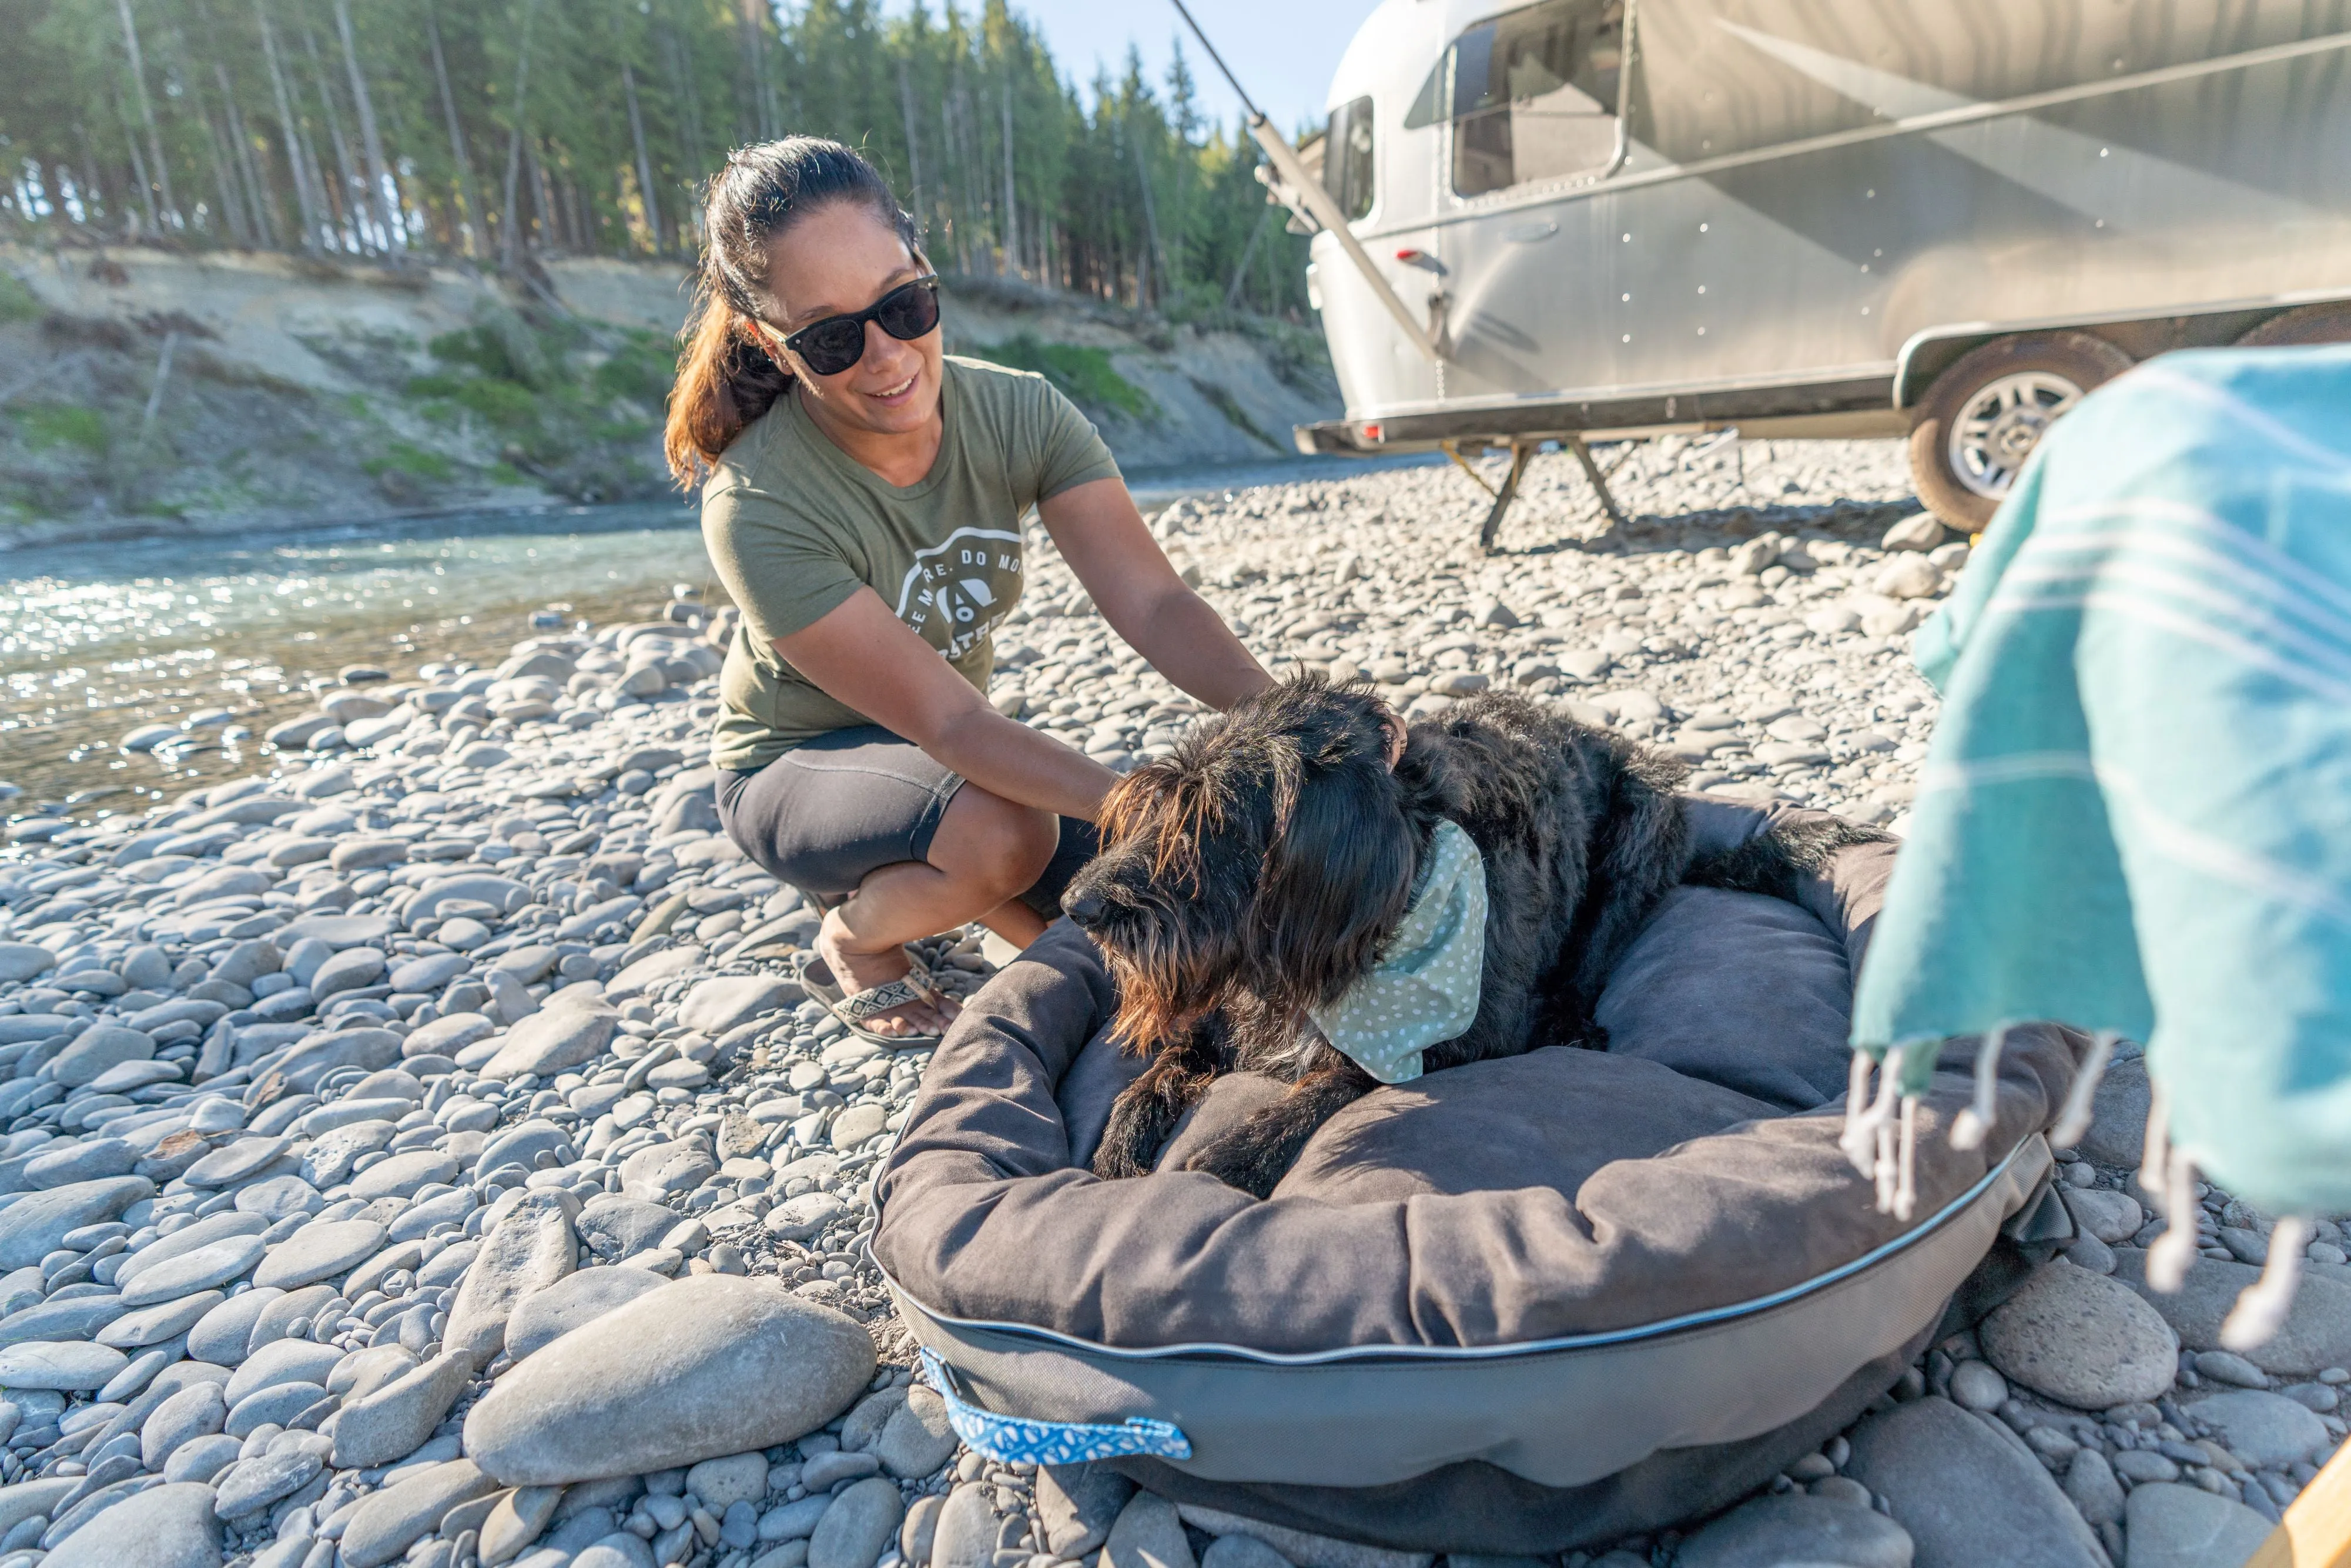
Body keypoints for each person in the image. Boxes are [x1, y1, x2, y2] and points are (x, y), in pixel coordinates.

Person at [665, 137, 1271, 1046]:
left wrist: (1299, 719)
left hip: (948, 762)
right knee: (1005, 835)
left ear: (926, 272)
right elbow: (957, 728)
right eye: (832, 339)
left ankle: (962, 883)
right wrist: (1150, 803)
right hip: (798, 773)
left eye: (905, 306)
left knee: (1178, 968)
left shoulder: (1020, 412)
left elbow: (1155, 606)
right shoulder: (756, 505)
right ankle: (853, 935)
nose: (885, 356)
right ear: (770, 343)